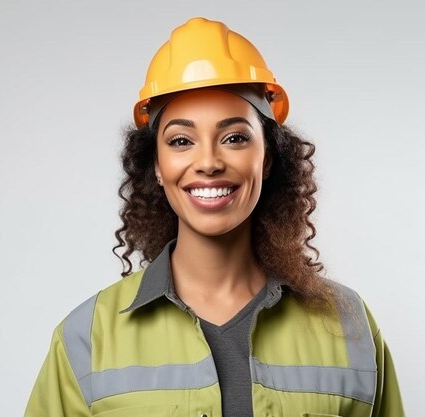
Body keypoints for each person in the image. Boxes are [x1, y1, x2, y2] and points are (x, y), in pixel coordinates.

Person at [25, 17, 405, 417]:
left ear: (269, 158)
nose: (208, 162)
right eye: (181, 141)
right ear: (156, 164)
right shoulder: (86, 338)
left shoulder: (350, 327)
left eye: (235, 138)